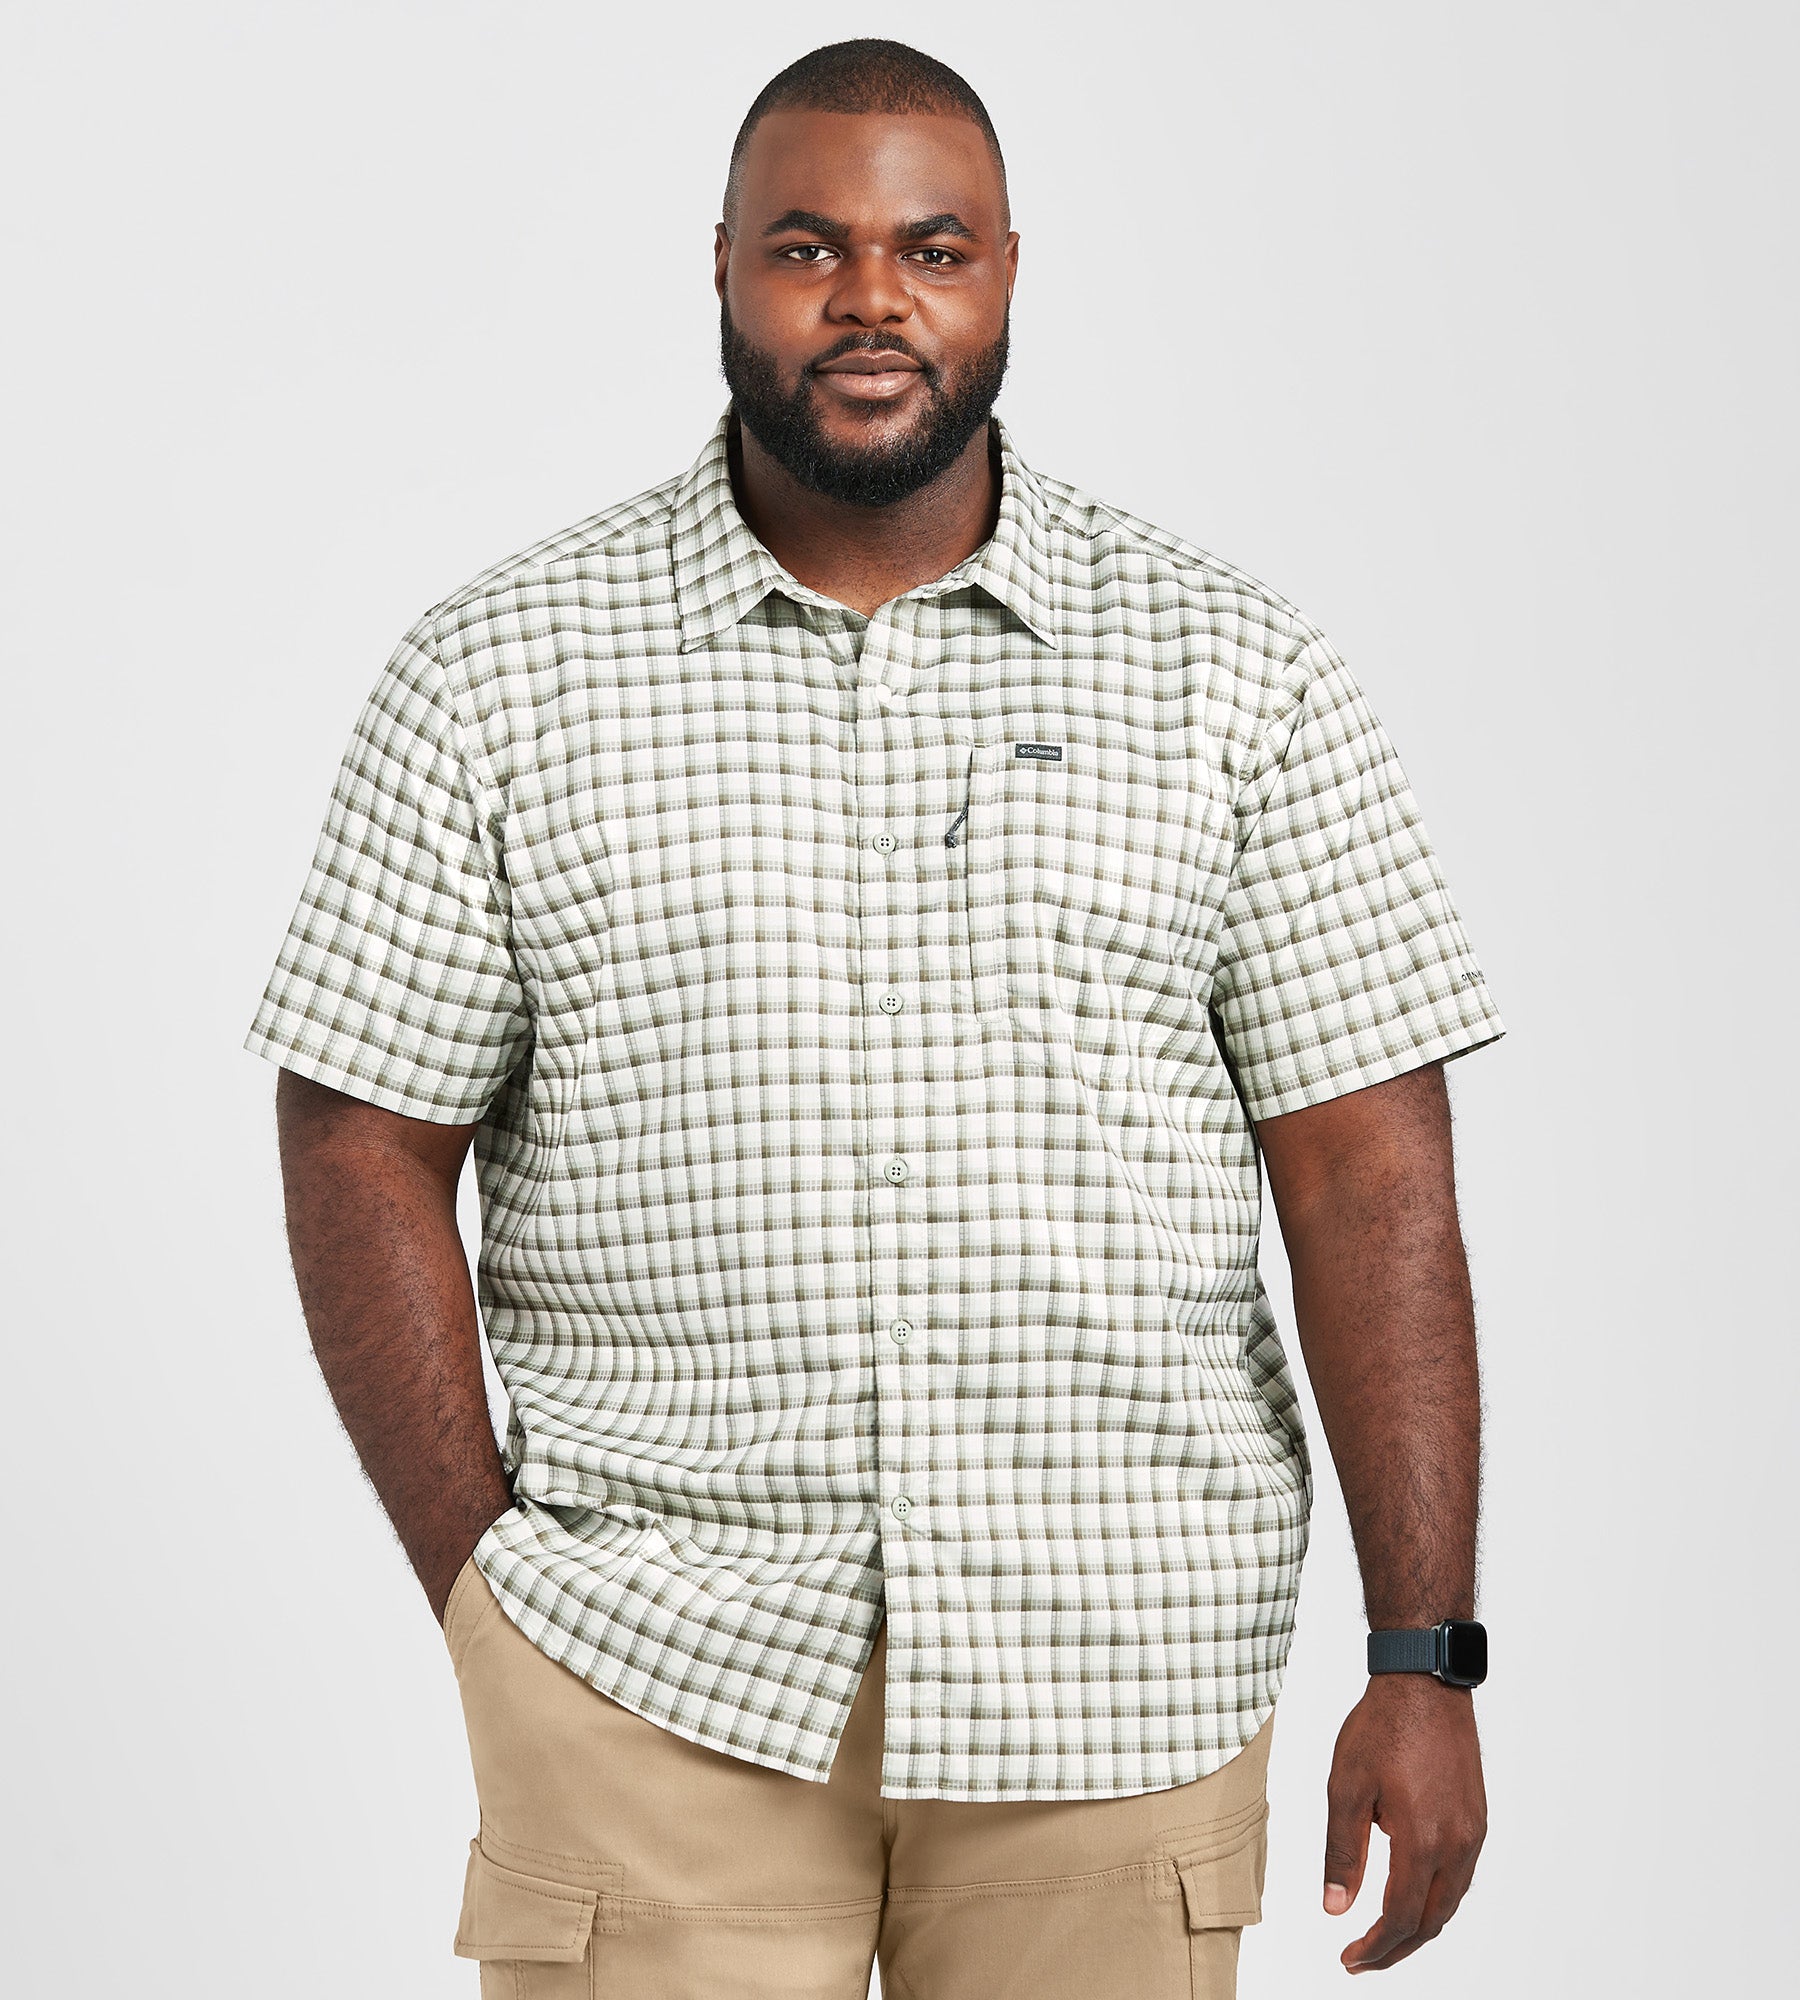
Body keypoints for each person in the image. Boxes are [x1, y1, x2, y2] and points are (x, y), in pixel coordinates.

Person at [244, 37, 1504, 1998]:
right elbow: (360, 1141)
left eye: (931, 248)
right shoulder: (497, 676)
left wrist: (1424, 1659)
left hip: (1125, 1684)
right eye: (806, 247)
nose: (869, 299)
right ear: (722, 265)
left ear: (1007, 271)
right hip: (653, 1683)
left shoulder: (1237, 678)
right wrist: (482, 1586)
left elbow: (1372, 1180)